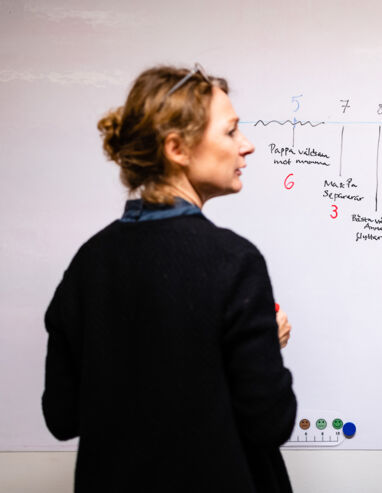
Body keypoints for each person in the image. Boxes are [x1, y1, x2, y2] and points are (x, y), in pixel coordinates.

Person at [42, 64, 296, 493]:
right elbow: (271, 423)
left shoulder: (88, 263)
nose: (247, 146)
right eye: (231, 131)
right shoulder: (234, 262)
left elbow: (63, 419)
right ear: (177, 148)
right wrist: (264, 343)